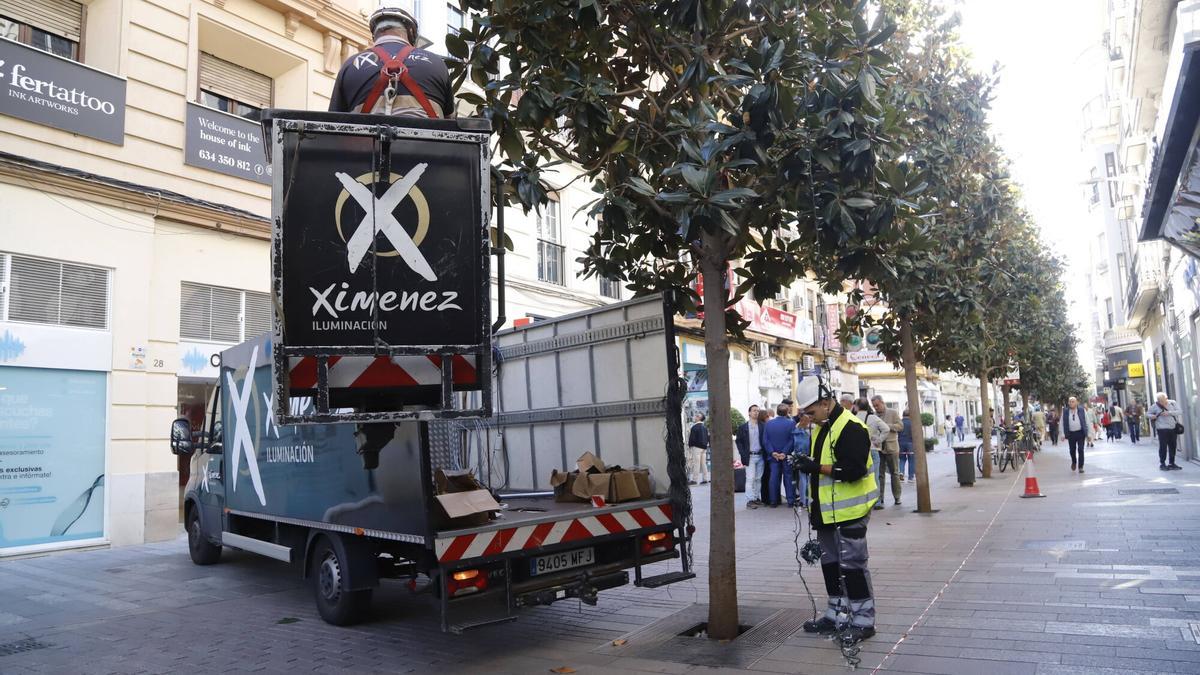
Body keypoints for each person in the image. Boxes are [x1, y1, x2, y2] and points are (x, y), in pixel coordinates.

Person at [792, 378, 878, 645]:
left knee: (852, 567)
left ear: (825, 403)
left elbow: (853, 470)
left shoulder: (851, 427)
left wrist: (815, 467)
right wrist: (806, 463)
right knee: (830, 565)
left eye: (811, 412)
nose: (808, 418)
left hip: (850, 512)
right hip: (826, 513)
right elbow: (822, 463)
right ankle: (837, 614)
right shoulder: (823, 427)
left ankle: (863, 621)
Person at [329, 6, 454, 118]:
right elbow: (450, 121)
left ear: (375, 34)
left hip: (367, 137)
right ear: (411, 32)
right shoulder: (436, 63)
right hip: (424, 136)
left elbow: (333, 122)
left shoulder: (351, 64)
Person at [854, 398, 890, 511]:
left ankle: (863, 501)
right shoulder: (873, 418)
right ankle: (877, 501)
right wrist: (879, 440)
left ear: (857, 407)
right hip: (873, 449)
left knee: (861, 476)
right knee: (875, 476)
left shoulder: (853, 418)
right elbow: (886, 429)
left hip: (858, 451)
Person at [763, 403, 798, 507]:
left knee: (774, 478)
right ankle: (790, 501)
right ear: (787, 412)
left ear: (777, 412)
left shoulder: (769, 424)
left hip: (773, 456)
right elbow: (792, 440)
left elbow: (765, 440)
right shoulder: (791, 423)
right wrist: (784, 452)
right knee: (788, 477)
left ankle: (773, 501)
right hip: (786, 456)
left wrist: (772, 452)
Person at [872, 395, 903, 506]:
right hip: (878, 448)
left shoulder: (892, 412)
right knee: (879, 475)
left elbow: (900, 426)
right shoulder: (873, 415)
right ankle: (880, 499)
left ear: (882, 402)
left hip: (892, 447)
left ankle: (897, 497)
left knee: (894, 473)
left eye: (877, 405)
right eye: (874, 406)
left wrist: (886, 426)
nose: (876, 408)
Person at [735, 405, 765, 508]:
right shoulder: (743, 427)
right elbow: (738, 441)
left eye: (758, 411)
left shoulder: (762, 426)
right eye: (754, 410)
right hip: (750, 457)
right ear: (749, 413)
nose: (756, 412)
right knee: (750, 479)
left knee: (758, 479)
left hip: (760, 456)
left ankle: (756, 498)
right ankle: (750, 500)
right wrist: (743, 453)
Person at [1148, 393, 1184, 471]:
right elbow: (1148, 414)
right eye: (1160, 401)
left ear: (1166, 398)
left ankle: (1172, 463)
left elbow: (1180, 411)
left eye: (1163, 400)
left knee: (1173, 446)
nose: (1162, 402)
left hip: (1172, 428)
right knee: (1163, 446)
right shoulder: (1155, 406)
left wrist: (1169, 413)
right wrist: (1152, 416)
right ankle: (1162, 464)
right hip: (1162, 429)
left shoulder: (1173, 403)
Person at [790, 411, 813, 508]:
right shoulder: (810, 431)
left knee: (802, 479)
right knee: (808, 480)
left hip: (799, 456)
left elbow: (795, 445)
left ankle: (803, 500)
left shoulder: (796, 430)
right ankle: (808, 500)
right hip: (809, 456)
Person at [1062, 397, 1088, 473]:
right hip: (1071, 434)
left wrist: (1089, 434)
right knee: (1072, 450)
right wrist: (1062, 434)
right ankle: (1074, 462)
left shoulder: (1082, 410)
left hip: (1080, 433)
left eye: (1073, 401)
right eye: (1070, 401)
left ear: (1076, 402)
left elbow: (1087, 421)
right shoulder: (1065, 411)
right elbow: (1061, 423)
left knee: (1080, 449)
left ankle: (1080, 467)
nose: (1071, 403)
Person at [687, 413, 710, 484]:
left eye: (697, 416)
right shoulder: (705, 427)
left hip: (696, 447)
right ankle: (705, 479)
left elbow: (692, 438)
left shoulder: (694, 427)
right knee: (703, 464)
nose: (695, 417)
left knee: (696, 463)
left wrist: (690, 446)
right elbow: (707, 437)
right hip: (704, 448)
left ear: (699, 418)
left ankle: (695, 480)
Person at [898, 410, 915, 481]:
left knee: (902, 459)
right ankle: (910, 477)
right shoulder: (912, 423)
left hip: (900, 443)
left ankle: (901, 472)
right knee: (911, 460)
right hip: (910, 443)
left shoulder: (899, 422)